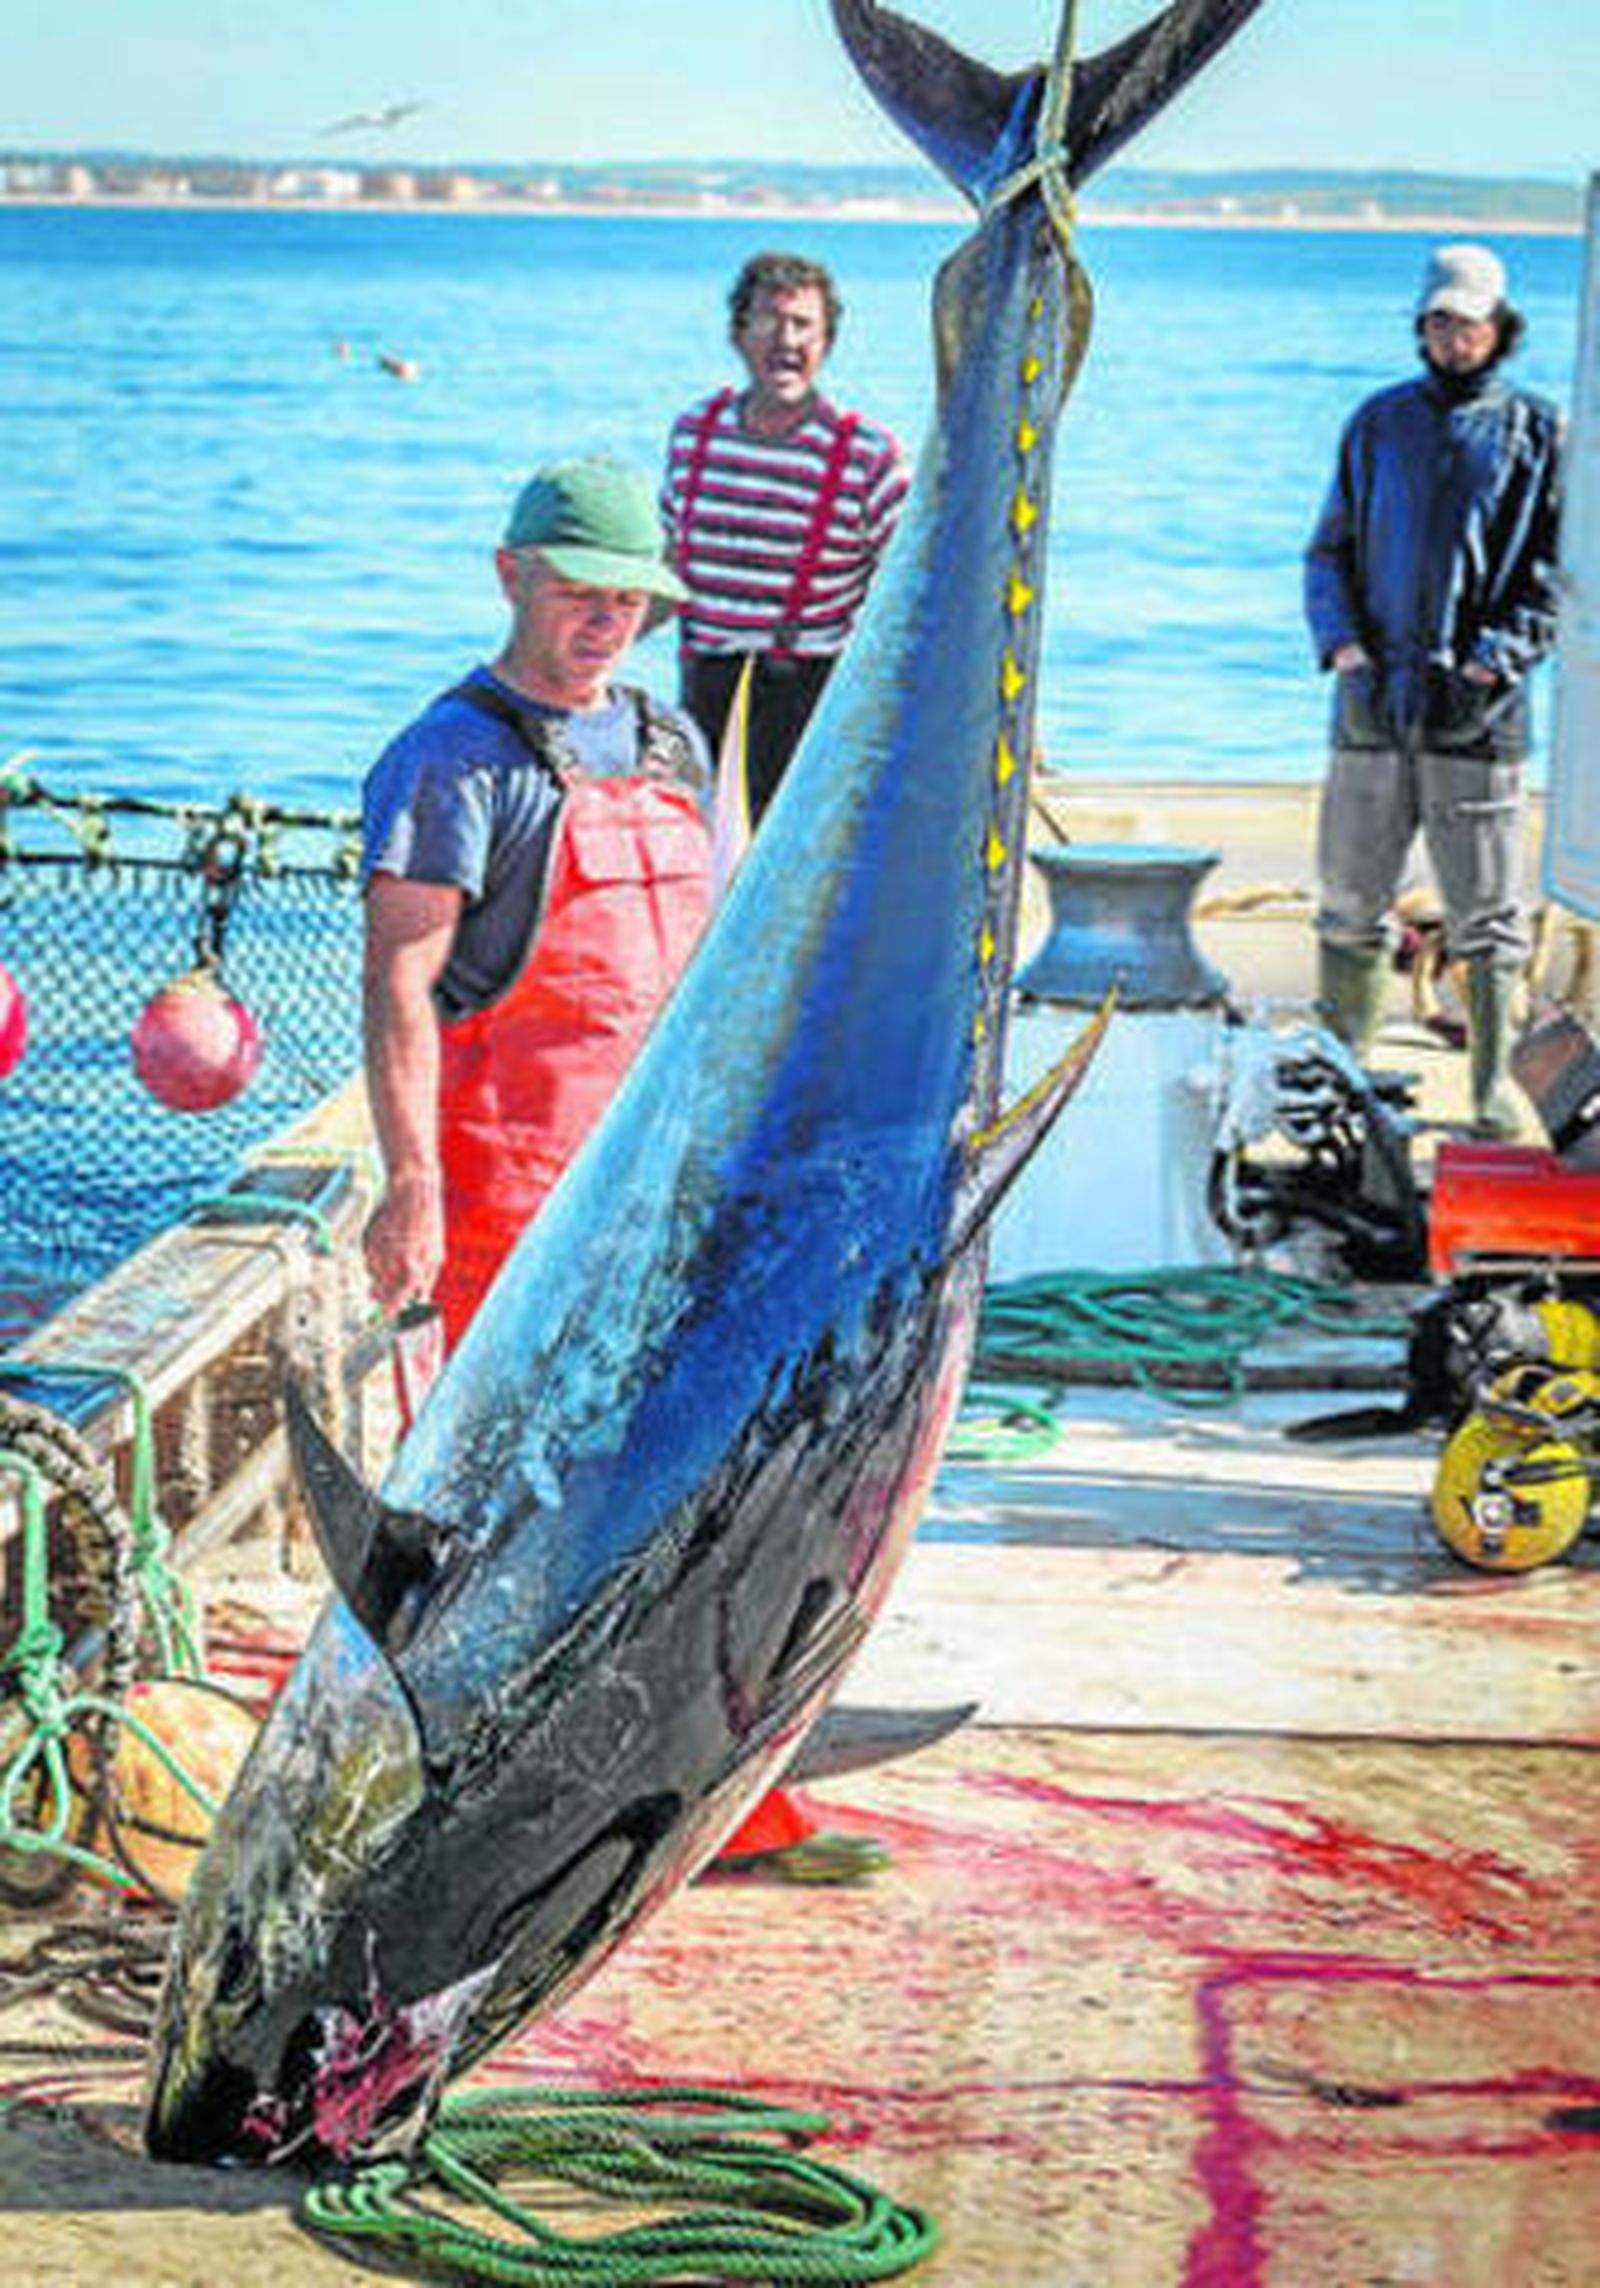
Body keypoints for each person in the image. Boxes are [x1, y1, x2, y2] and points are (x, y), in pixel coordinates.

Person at [361, 455, 877, 1883]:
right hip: (510, 1196)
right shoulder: (449, 759)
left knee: (701, 1493)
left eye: (632, 599)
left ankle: (723, 1799)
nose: (606, 621)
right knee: (526, 1525)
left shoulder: (666, 739)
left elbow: (718, 976)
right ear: (511, 574)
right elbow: (400, 988)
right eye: (580, 591)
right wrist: (410, 1190)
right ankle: (508, 1801)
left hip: (666, 1193)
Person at [1304, 241, 1563, 1138]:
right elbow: (1326, 552)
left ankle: (1491, 1096)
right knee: (1348, 902)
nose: (1455, 336)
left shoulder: (1538, 433)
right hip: (1371, 713)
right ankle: (1349, 1085)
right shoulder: (1376, 424)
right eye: (1441, 320)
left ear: (1500, 328)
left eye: (1471, 321)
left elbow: (1557, 577)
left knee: (1488, 920)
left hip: (1476, 722)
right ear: (1423, 325)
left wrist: (1496, 658)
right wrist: (1341, 646)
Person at [661, 251, 910, 824]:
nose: (787, 339)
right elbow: (668, 570)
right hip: (703, 702)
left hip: (811, 711)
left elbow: (911, 604)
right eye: (769, 320)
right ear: (738, 333)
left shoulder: (867, 455)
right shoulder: (693, 433)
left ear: (827, 343)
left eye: (804, 325)